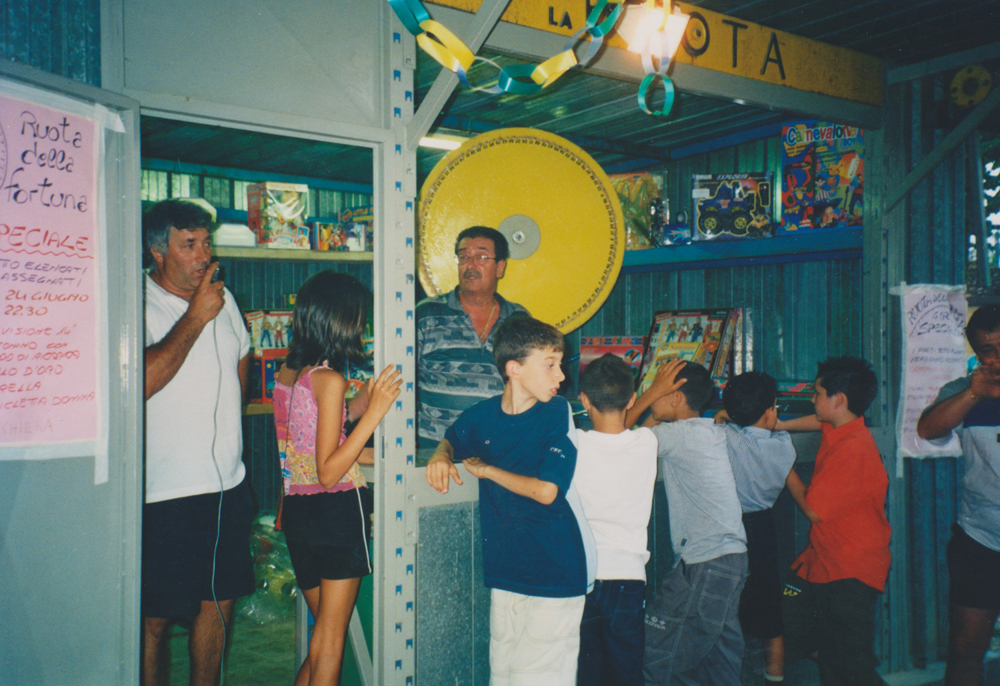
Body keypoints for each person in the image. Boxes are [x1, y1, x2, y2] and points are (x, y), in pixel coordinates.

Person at [425, 316, 595, 686]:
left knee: (537, 679)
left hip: (555, 571)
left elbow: (547, 491)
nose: (561, 376)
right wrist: (440, 455)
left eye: (560, 365)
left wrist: (488, 471)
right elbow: (453, 437)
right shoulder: (483, 416)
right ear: (513, 369)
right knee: (502, 676)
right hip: (507, 572)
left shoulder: (556, 412)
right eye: (550, 365)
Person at [142, 198, 255, 686]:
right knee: (155, 617)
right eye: (189, 245)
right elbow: (140, 382)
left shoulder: (223, 298)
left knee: (219, 603)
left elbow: (241, 364)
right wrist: (194, 317)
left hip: (227, 484)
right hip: (164, 491)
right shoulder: (137, 306)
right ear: (157, 252)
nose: (203, 255)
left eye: (206, 243)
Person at [272, 270, 401, 686]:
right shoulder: (330, 380)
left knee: (323, 634)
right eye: (358, 318)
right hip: (337, 512)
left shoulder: (291, 375)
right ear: (340, 320)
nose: (361, 327)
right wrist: (376, 411)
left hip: (299, 514)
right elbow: (329, 470)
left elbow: (306, 445)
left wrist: (358, 402)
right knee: (329, 642)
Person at [625, 359, 748, 685]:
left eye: (662, 393)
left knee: (659, 655)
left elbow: (619, 436)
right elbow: (643, 434)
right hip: (730, 561)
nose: (654, 399)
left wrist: (651, 393)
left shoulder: (677, 435)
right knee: (718, 662)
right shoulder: (704, 431)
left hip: (704, 564)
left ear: (676, 397)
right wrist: (658, 402)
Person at [777, 356, 891, 686]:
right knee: (814, 643)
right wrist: (779, 426)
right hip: (824, 561)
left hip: (850, 569)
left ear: (837, 399)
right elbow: (816, 420)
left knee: (850, 668)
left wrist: (782, 465)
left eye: (817, 393)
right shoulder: (843, 425)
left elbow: (814, 510)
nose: (813, 399)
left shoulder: (853, 448)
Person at [917, 305, 1000, 686]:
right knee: (966, 650)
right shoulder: (963, 391)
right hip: (980, 539)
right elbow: (927, 429)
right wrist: (973, 394)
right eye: (989, 350)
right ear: (977, 353)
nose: (998, 357)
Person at [573, 354, 658, 686]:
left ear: (584, 400)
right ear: (632, 398)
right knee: (625, 670)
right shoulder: (646, 442)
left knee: (585, 670)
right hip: (628, 578)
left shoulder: (575, 443)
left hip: (583, 576)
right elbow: (632, 424)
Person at [715, 371, 799, 683]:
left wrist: (724, 415)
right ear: (769, 411)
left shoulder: (728, 438)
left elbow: (723, 424)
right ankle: (773, 675)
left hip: (732, 528)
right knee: (768, 606)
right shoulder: (784, 445)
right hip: (764, 527)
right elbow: (766, 430)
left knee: (730, 606)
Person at [416, 226, 529, 449]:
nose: (470, 265)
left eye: (481, 257)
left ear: (500, 267)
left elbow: (529, 386)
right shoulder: (426, 314)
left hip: (500, 456)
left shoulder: (519, 319)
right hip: (436, 459)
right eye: (464, 257)